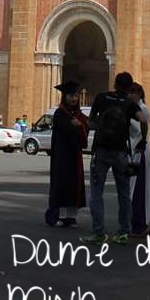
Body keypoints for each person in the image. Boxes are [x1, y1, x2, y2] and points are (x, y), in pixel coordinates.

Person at [84, 71, 148, 245]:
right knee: (124, 194)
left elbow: (90, 122)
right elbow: (143, 120)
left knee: (96, 193)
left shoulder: (101, 98)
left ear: (114, 84)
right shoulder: (129, 103)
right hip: (120, 152)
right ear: (129, 87)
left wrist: (97, 127)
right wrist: (143, 139)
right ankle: (123, 232)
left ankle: (98, 232)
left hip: (101, 151)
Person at [45, 80, 90, 228]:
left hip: (75, 156)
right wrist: (75, 126)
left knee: (74, 185)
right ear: (64, 97)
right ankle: (56, 215)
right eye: (70, 96)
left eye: (76, 95)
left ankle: (71, 217)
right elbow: (63, 131)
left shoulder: (80, 115)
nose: (73, 99)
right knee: (61, 183)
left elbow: (86, 130)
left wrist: (80, 126)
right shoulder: (59, 113)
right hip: (62, 155)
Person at [128, 83, 150, 238]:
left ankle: (139, 224)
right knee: (129, 190)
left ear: (140, 94)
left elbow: (139, 128)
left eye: (134, 92)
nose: (131, 95)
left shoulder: (142, 109)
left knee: (138, 190)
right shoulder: (129, 107)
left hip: (139, 152)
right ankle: (131, 222)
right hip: (130, 151)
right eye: (129, 92)